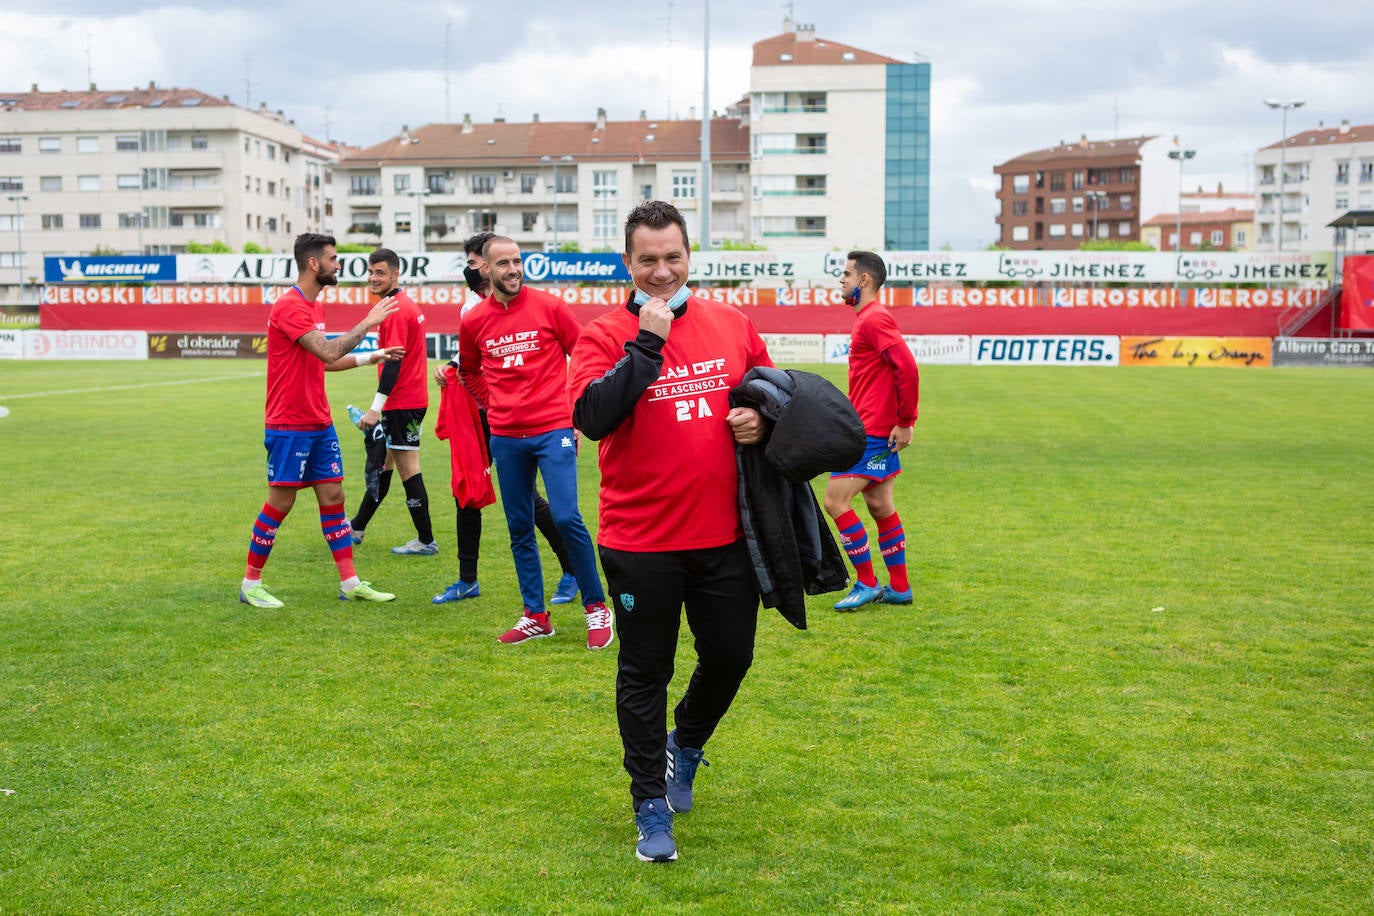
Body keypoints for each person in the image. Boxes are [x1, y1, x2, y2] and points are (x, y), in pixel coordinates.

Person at [569, 200, 773, 863]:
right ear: (627, 263)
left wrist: (762, 423)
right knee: (644, 671)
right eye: (648, 260)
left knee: (731, 657)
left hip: (724, 537)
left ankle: (685, 746)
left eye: (672, 257)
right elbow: (594, 416)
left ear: (691, 257)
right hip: (640, 542)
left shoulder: (732, 324)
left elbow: (774, 396)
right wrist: (647, 343)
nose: (661, 271)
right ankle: (649, 804)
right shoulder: (602, 334)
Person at [457, 235, 612, 648]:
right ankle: (535, 615)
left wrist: (576, 410)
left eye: (517, 261)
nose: (512, 269)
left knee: (565, 517)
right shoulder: (473, 321)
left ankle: (597, 607)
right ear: (484, 270)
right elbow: (468, 371)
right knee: (519, 526)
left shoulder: (550, 307)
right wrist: (495, 405)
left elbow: (584, 357)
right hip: (506, 437)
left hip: (553, 430)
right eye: (503, 263)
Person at [238, 232, 401, 608]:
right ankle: (251, 584)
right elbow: (328, 352)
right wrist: (368, 322)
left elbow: (322, 362)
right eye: (333, 258)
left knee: (334, 497)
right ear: (314, 264)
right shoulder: (289, 307)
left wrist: (371, 357)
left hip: (318, 422)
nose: (338, 265)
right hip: (288, 424)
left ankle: (350, 582)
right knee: (280, 503)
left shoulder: (314, 307)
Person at [431, 232, 580, 606]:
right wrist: (465, 380)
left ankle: (572, 569)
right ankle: (468, 579)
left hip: (526, 419)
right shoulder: (472, 308)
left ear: (486, 263)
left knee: (532, 502)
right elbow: (474, 360)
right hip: (485, 412)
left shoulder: (533, 305)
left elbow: (576, 351)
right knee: (466, 488)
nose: (469, 270)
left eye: (472, 263)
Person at [822, 250, 920, 611]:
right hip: (872, 428)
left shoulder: (874, 319)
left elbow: (907, 367)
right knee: (880, 505)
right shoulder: (868, 318)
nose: (841, 280)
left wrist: (906, 421)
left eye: (846, 274)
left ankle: (866, 582)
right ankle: (899, 586)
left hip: (871, 432)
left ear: (864, 280)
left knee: (835, 501)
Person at [347, 248, 437, 556]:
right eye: (371, 272)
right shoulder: (397, 304)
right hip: (407, 400)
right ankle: (357, 527)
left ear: (395, 275)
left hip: (403, 402)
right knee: (384, 464)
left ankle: (426, 540)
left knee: (407, 467)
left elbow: (394, 363)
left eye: (380, 272)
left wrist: (375, 408)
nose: (373, 277)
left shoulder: (396, 309)